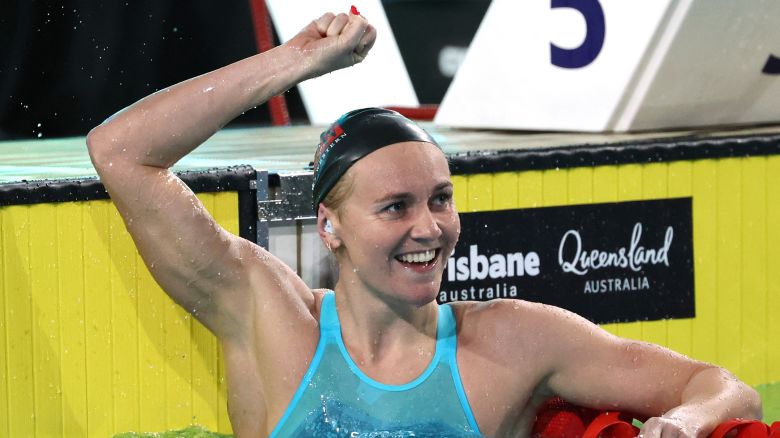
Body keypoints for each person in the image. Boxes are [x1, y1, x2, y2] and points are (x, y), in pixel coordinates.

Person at [87, 9, 762, 438]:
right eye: (395, 207)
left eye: (440, 198)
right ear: (330, 226)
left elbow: (726, 389)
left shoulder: (512, 340)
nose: (429, 227)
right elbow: (121, 153)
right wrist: (294, 63)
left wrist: (684, 421)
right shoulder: (265, 315)